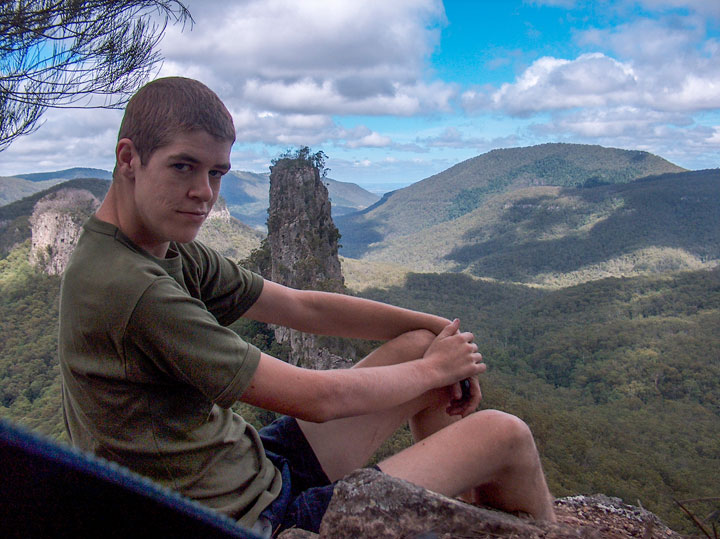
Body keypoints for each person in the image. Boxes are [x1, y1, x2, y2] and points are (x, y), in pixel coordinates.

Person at [58, 77, 556, 536]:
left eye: (216, 172)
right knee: (504, 436)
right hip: (248, 520)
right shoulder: (131, 288)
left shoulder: (163, 245)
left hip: (252, 470)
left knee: (420, 347)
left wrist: (442, 334)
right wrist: (436, 371)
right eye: (183, 166)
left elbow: (302, 308)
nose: (204, 193)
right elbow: (317, 399)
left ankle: (467, 517)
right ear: (129, 158)